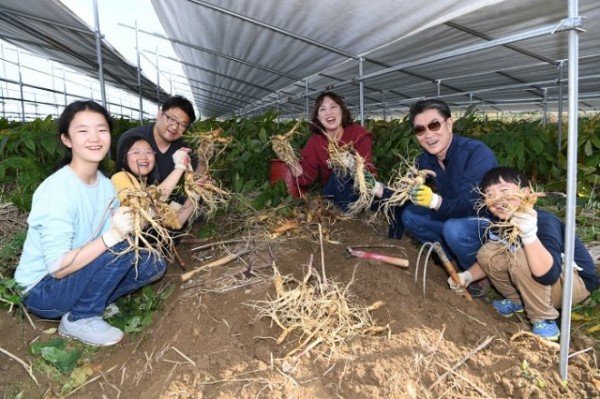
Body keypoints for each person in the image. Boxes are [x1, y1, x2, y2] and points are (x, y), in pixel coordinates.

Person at [14, 100, 166, 347]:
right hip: (43, 289)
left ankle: (92, 301)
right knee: (121, 247)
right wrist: (113, 237)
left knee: (152, 263)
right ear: (67, 139)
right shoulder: (57, 190)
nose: (94, 138)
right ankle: (80, 317)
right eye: (83, 131)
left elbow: (117, 234)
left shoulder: (105, 185)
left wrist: (143, 218)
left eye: (102, 130)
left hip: (78, 271)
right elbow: (57, 267)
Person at [448, 167, 600, 340]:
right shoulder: (501, 224)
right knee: (488, 252)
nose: (497, 199)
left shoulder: (544, 221)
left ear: (526, 193)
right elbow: (489, 259)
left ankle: (544, 319)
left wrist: (529, 235)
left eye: (504, 190)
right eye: (489, 195)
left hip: (574, 285)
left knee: (520, 256)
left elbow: (548, 275)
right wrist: (467, 276)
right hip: (546, 283)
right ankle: (518, 301)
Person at [386, 99, 497, 295]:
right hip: (454, 214)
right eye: (420, 130)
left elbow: (468, 206)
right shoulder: (425, 159)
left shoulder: (476, 153)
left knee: (454, 229)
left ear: (449, 123)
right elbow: (406, 195)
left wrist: (434, 201)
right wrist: (379, 190)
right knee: (412, 216)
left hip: (486, 223)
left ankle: (481, 274)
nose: (428, 135)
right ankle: (452, 262)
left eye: (434, 125)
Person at [273, 91, 379, 212]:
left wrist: (351, 163)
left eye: (333, 107)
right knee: (340, 171)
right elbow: (305, 178)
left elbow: (367, 169)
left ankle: (363, 206)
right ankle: (350, 212)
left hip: (362, 187)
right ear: (318, 118)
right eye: (322, 109)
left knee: (348, 171)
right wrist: (289, 158)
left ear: (342, 111)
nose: (329, 112)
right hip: (333, 192)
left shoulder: (358, 133)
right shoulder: (315, 142)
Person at [112, 136, 196, 230]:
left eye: (149, 152)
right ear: (124, 157)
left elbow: (177, 221)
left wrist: (195, 194)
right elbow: (144, 205)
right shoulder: (119, 177)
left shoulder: (149, 186)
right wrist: (180, 166)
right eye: (136, 152)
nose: (143, 157)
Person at [116, 95, 199, 186]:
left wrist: (203, 161)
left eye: (182, 125)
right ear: (159, 115)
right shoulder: (132, 138)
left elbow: (195, 180)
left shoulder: (185, 147)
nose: (175, 127)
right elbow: (121, 179)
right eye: (172, 119)